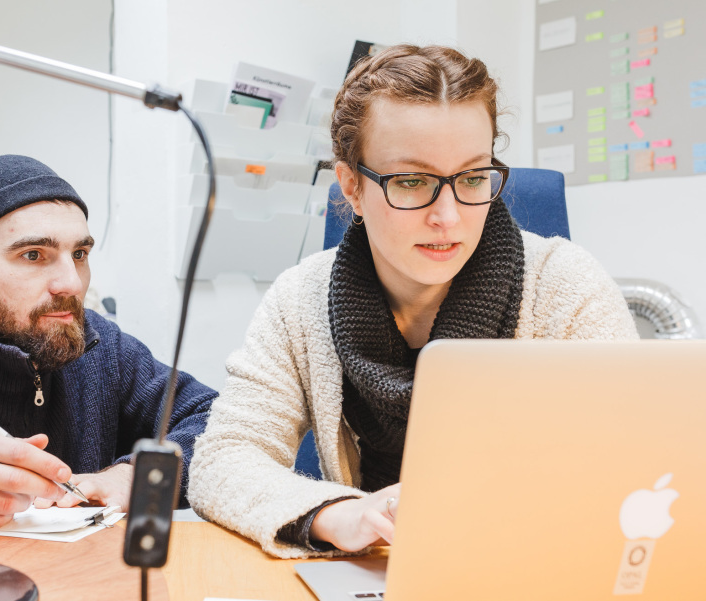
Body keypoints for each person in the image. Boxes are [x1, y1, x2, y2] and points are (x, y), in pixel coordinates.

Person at [188, 44, 638, 558]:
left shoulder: (565, 285)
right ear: (352, 186)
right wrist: (339, 513)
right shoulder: (299, 298)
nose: (447, 216)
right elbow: (223, 458)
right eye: (411, 181)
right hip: (374, 572)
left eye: (471, 178)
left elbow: (627, 462)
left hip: (529, 564)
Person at [0, 154, 216, 530]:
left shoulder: (103, 351)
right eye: (34, 254)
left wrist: (132, 477)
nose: (71, 283)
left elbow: (221, 422)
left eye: (80, 254)